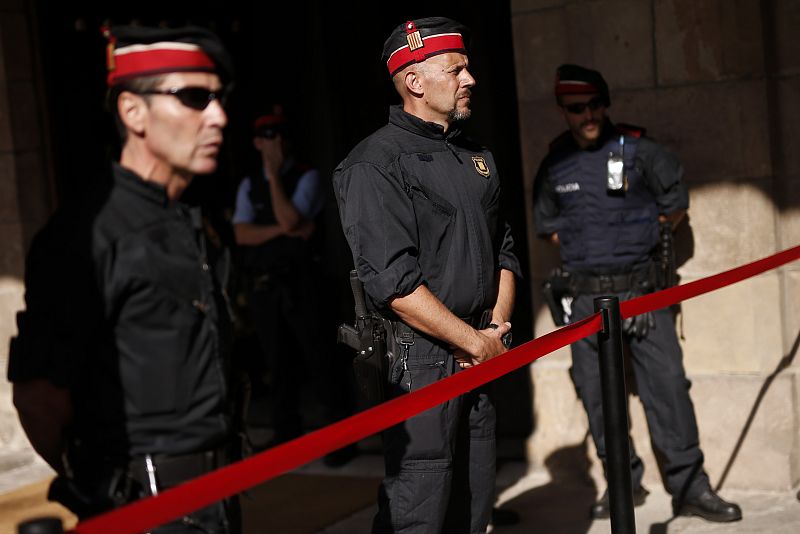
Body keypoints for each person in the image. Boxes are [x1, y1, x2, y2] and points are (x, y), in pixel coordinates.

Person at [8, 25, 241, 532]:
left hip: (222, 490)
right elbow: (39, 397)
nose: (218, 117)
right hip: (144, 502)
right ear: (133, 112)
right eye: (195, 98)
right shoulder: (88, 235)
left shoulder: (201, 219)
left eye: (220, 99)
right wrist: (101, 483)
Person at [333, 17, 521, 533]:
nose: (470, 79)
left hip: (480, 348)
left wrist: (492, 332)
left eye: (468, 67)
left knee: (475, 503)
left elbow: (505, 252)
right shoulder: (373, 164)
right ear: (414, 81)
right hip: (422, 362)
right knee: (419, 508)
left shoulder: (475, 153)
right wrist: (473, 343)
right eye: (455, 69)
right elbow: (393, 284)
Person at [532, 64, 742, 523]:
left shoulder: (640, 151)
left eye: (594, 105)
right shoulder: (555, 163)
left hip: (643, 293)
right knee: (595, 394)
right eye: (576, 108)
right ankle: (623, 482)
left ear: (605, 104)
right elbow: (547, 227)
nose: (587, 115)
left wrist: (633, 247)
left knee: (668, 390)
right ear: (563, 110)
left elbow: (676, 206)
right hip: (586, 301)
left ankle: (690, 486)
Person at [231, 108, 355, 464]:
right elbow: (242, 233)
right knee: (278, 363)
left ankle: (341, 439)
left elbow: (289, 217)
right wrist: (284, 230)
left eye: (281, 135)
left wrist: (273, 180)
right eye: (268, 136)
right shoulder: (247, 183)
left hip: (302, 283)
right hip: (266, 286)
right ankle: (287, 437)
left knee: (321, 361)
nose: (276, 143)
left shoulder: (307, 177)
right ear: (257, 143)